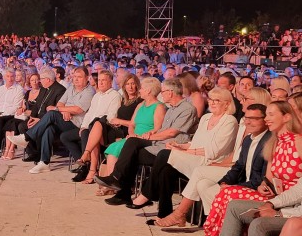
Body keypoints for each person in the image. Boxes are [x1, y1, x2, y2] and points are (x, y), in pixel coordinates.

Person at [192, 101, 302, 236]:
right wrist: (264, 185)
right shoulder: (275, 142)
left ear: (286, 117)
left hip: (291, 201)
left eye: (271, 115)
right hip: (274, 196)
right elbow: (269, 178)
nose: (267, 119)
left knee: (230, 193)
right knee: (226, 192)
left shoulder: (298, 141)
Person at [128, 87, 238, 220]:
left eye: (217, 100)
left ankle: (147, 193)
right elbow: (195, 142)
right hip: (193, 158)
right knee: (166, 169)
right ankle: (164, 213)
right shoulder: (206, 118)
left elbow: (213, 151)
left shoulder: (229, 121)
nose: (212, 103)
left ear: (227, 103)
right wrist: (179, 146)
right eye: (210, 99)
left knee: (164, 154)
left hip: (210, 162)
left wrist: (184, 151)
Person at [95, 78, 198, 206]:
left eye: (163, 91)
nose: (161, 94)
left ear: (170, 92)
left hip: (170, 148)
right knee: (131, 145)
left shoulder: (187, 109)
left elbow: (172, 133)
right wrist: (152, 133)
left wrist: (150, 137)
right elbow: (160, 129)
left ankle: (120, 185)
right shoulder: (171, 108)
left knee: (131, 151)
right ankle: (119, 184)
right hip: (159, 144)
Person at [8, 66, 96, 174]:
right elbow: (60, 103)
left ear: (87, 78)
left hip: (77, 124)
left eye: (80, 77)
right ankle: (44, 163)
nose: (76, 79)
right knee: (49, 128)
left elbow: (78, 109)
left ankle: (27, 137)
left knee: (52, 114)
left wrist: (60, 109)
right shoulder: (71, 88)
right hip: (65, 119)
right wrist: (64, 111)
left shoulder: (89, 91)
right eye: (75, 77)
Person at [95, 77, 165, 193]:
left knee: (120, 147)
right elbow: (132, 124)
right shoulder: (140, 105)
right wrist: (131, 134)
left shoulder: (159, 107)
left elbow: (158, 129)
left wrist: (138, 137)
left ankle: (115, 182)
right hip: (133, 138)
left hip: (146, 139)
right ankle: (113, 182)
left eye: (141, 88)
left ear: (148, 91)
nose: (139, 90)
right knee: (113, 148)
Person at [65, 71, 123, 183]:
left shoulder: (115, 95)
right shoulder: (96, 96)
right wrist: (83, 126)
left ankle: (90, 167)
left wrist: (92, 124)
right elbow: (89, 114)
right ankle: (86, 162)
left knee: (93, 127)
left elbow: (111, 116)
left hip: (108, 128)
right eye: (99, 80)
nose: (100, 83)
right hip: (93, 126)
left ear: (110, 82)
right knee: (67, 136)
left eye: (103, 80)